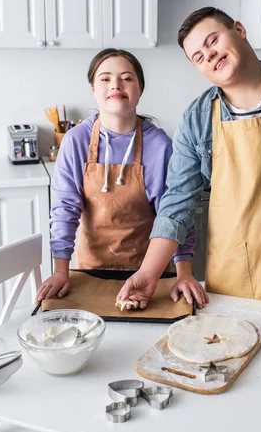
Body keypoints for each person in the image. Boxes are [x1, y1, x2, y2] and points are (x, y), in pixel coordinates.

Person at [117, 7, 261, 313]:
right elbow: (178, 201)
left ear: (239, 31)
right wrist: (149, 273)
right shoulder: (197, 119)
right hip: (233, 277)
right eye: (198, 58)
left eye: (212, 41)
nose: (210, 56)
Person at [36, 48, 208, 310]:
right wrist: (61, 270)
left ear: (140, 89)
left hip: (152, 272)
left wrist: (184, 272)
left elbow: (176, 214)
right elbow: (64, 210)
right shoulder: (75, 142)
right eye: (105, 79)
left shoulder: (160, 145)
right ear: (93, 89)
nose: (115, 84)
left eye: (127, 78)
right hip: (89, 272)